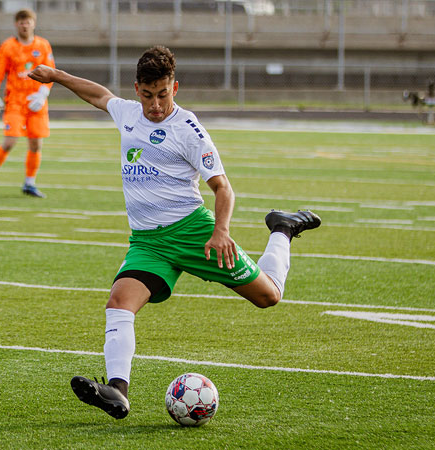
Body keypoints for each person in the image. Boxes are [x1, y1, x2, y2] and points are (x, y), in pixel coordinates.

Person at [28, 46, 320, 419]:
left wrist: (221, 231)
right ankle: (117, 391)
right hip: (148, 242)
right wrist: (58, 76)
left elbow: (223, 188)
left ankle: (282, 227)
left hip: (193, 233)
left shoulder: (188, 129)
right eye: (148, 95)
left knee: (268, 296)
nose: (155, 105)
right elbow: (99, 95)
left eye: (162, 95)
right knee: (119, 303)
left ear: (174, 88)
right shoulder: (129, 114)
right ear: (137, 90)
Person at [0, 8, 55, 198]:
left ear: (34, 23)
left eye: (28, 21)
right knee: (10, 141)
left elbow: (51, 71)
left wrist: (43, 93)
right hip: (15, 100)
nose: (25, 25)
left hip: (36, 102)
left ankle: (29, 183)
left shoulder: (43, 45)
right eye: (21, 22)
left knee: (36, 144)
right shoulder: (8, 46)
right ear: (16, 24)